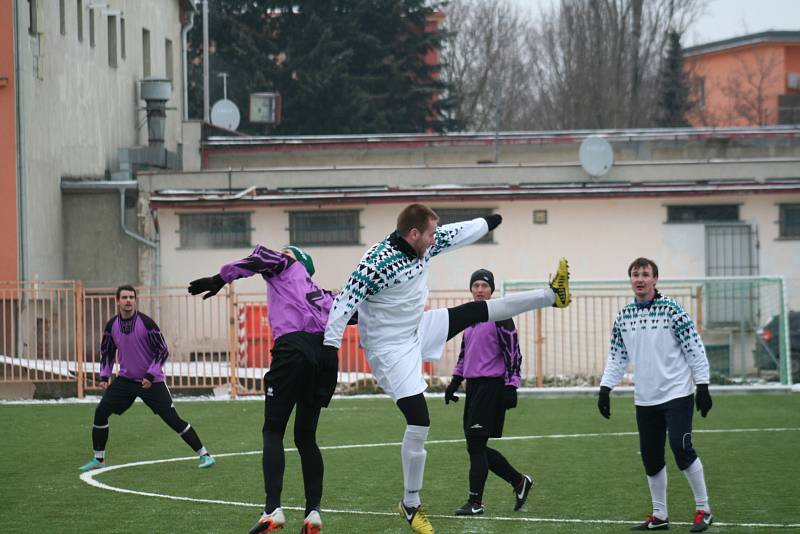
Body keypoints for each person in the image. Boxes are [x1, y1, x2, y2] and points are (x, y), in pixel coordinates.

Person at [323, 203, 571, 534]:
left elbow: (456, 233)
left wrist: (486, 223)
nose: (434, 239)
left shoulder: (424, 241)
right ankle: (410, 504)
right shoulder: (375, 263)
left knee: (476, 310)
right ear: (413, 234)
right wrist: (330, 348)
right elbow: (343, 304)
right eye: (429, 234)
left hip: (417, 327)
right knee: (420, 420)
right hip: (389, 349)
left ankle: (552, 296)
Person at [189, 245, 337, 534]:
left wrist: (220, 278)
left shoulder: (284, 265)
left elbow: (259, 258)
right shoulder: (324, 295)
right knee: (306, 437)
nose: (282, 254)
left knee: (273, 431)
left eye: (287, 252)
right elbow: (352, 314)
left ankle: (272, 509)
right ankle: (313, 512)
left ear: (296, 260)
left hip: (292, 349)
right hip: (324, 357)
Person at [597, 258, 714, 533]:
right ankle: (660, 515)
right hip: (645, 398)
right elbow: (617, 357)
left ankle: (704, 509)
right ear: (631, 280)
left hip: (677, 394)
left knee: (681, 448)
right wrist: (605, 388)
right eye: (635, 274)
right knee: (650, 456)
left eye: (645, 274)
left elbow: (694, 349)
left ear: (655, 279)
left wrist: (703, 385)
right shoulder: (623, 316)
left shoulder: (672, 309)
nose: (640, 279)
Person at [78, 285, 215, 472]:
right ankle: (98, 459)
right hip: (125, 381)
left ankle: (205, 454)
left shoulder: (147, 323)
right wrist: (104, 376)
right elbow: (107, 352)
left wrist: (150, 375)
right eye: (124, 297)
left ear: (135, 300)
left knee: (172, 419)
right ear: (117, 301)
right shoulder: (111, 325)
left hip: (153, 382)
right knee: (101, 412)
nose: (128, 301)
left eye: (131, 297)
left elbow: (162, 350)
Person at [444, 269, 534, 517]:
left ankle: (476, 502)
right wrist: (454, 381)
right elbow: (465, 353)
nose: (480, 290)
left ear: (491, 290)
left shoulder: (501, 316)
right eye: (476, 286)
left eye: (484, 285)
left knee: (475, 445)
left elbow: (514, 353)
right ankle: (519, 482)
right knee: (476, 446)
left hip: (491, 387)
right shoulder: (470, 318)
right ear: (471, 290)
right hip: (473, 388)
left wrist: (511, 385)